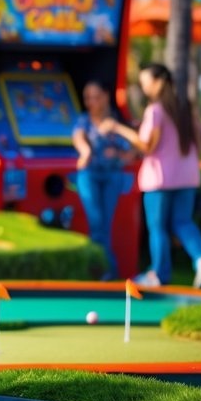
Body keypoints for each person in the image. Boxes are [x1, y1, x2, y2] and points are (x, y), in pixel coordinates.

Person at [100, 63, 201, 288]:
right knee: (182, 221)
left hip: (160, 179)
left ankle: (159, 274)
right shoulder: (184, 108)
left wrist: (117, 127)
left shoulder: (155, 110)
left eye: (145, 83)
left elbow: (147, 146)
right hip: (187, 176)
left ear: (158, 82)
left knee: (158, 227)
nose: (144, 88)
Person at [71, 80, 132, 280]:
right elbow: (78, 136)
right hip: (89, 175)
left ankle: (102, 271)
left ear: (106, 97)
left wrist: (121, 155)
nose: (90, 102)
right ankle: (107, 272)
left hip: (112, 176)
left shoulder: (117, 122)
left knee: (104, 226)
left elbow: (135, 149)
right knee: (97, 224)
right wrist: (85, 151)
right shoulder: (83, 121)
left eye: (95, 97)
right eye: (87, 98)